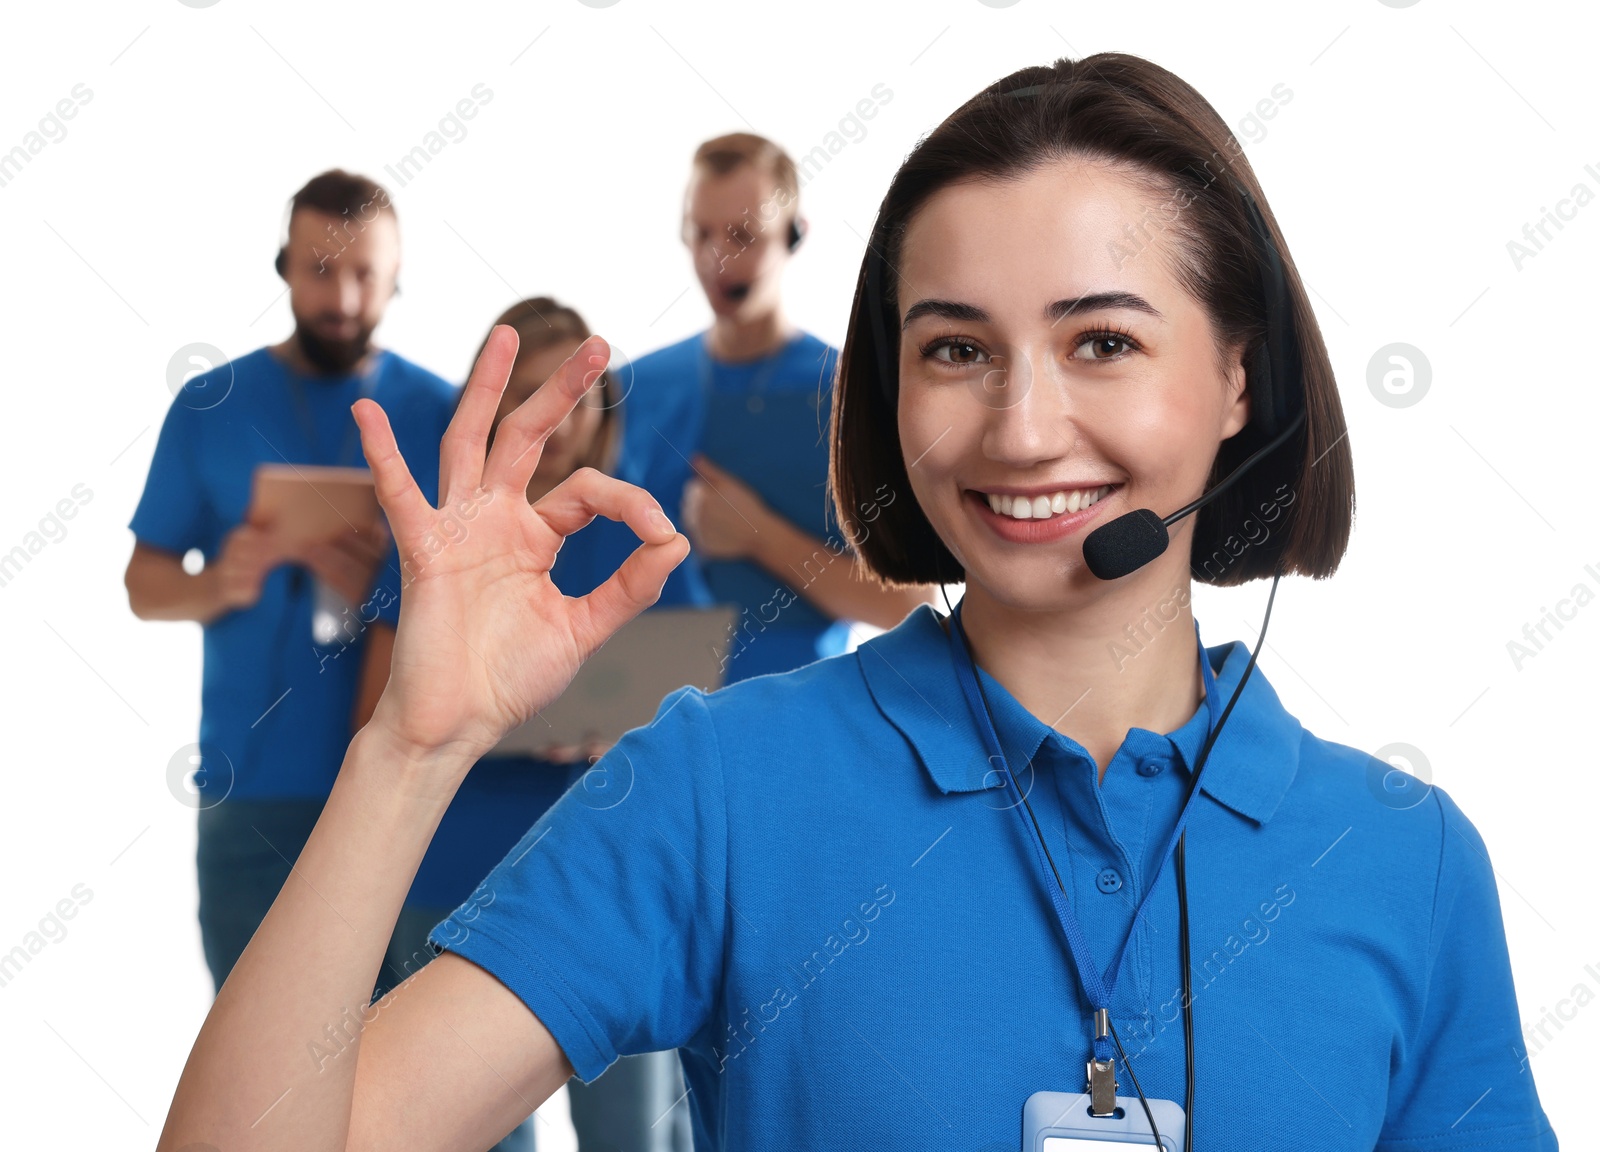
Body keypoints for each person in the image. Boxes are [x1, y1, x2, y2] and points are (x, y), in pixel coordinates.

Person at [156, 54, 1558, 1152]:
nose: (1020, 429)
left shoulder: (1409, 866)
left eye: (1103, 340)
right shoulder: (715, 792)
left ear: (1239, 381)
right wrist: (412, 747)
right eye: (955, 350)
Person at [357, 298, 712, 1152]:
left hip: (604, 877)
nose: (547, 415)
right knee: (465, 1133)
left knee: (629, 1132)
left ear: (602, 407)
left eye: (570, 392)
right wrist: (478, 718)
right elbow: (380, 714)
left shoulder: (637, 526)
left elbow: (690, 698)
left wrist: (602, 737)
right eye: (524, 389)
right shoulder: (434, 537)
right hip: (453, 871)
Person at [124, 169, 459, 997]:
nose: (342, 297)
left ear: (397, 277)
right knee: (259, 1090)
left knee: (405, 1083)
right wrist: (221, 582)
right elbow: (144, 583)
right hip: (252, 793)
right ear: (282, 265)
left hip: (403, 795)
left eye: (364, 275)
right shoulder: (212, 404)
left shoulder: (443, 415)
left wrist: (388, 582)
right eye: (318, 269)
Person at [625, 132, 934, 683]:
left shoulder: (850, 392)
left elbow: (908, 604)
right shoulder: (634, 388)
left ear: (794, 235)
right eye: (701, 233)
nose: (716, 257)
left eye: (743, 235)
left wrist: (756, 536)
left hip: (798, 721)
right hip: (653, 726)